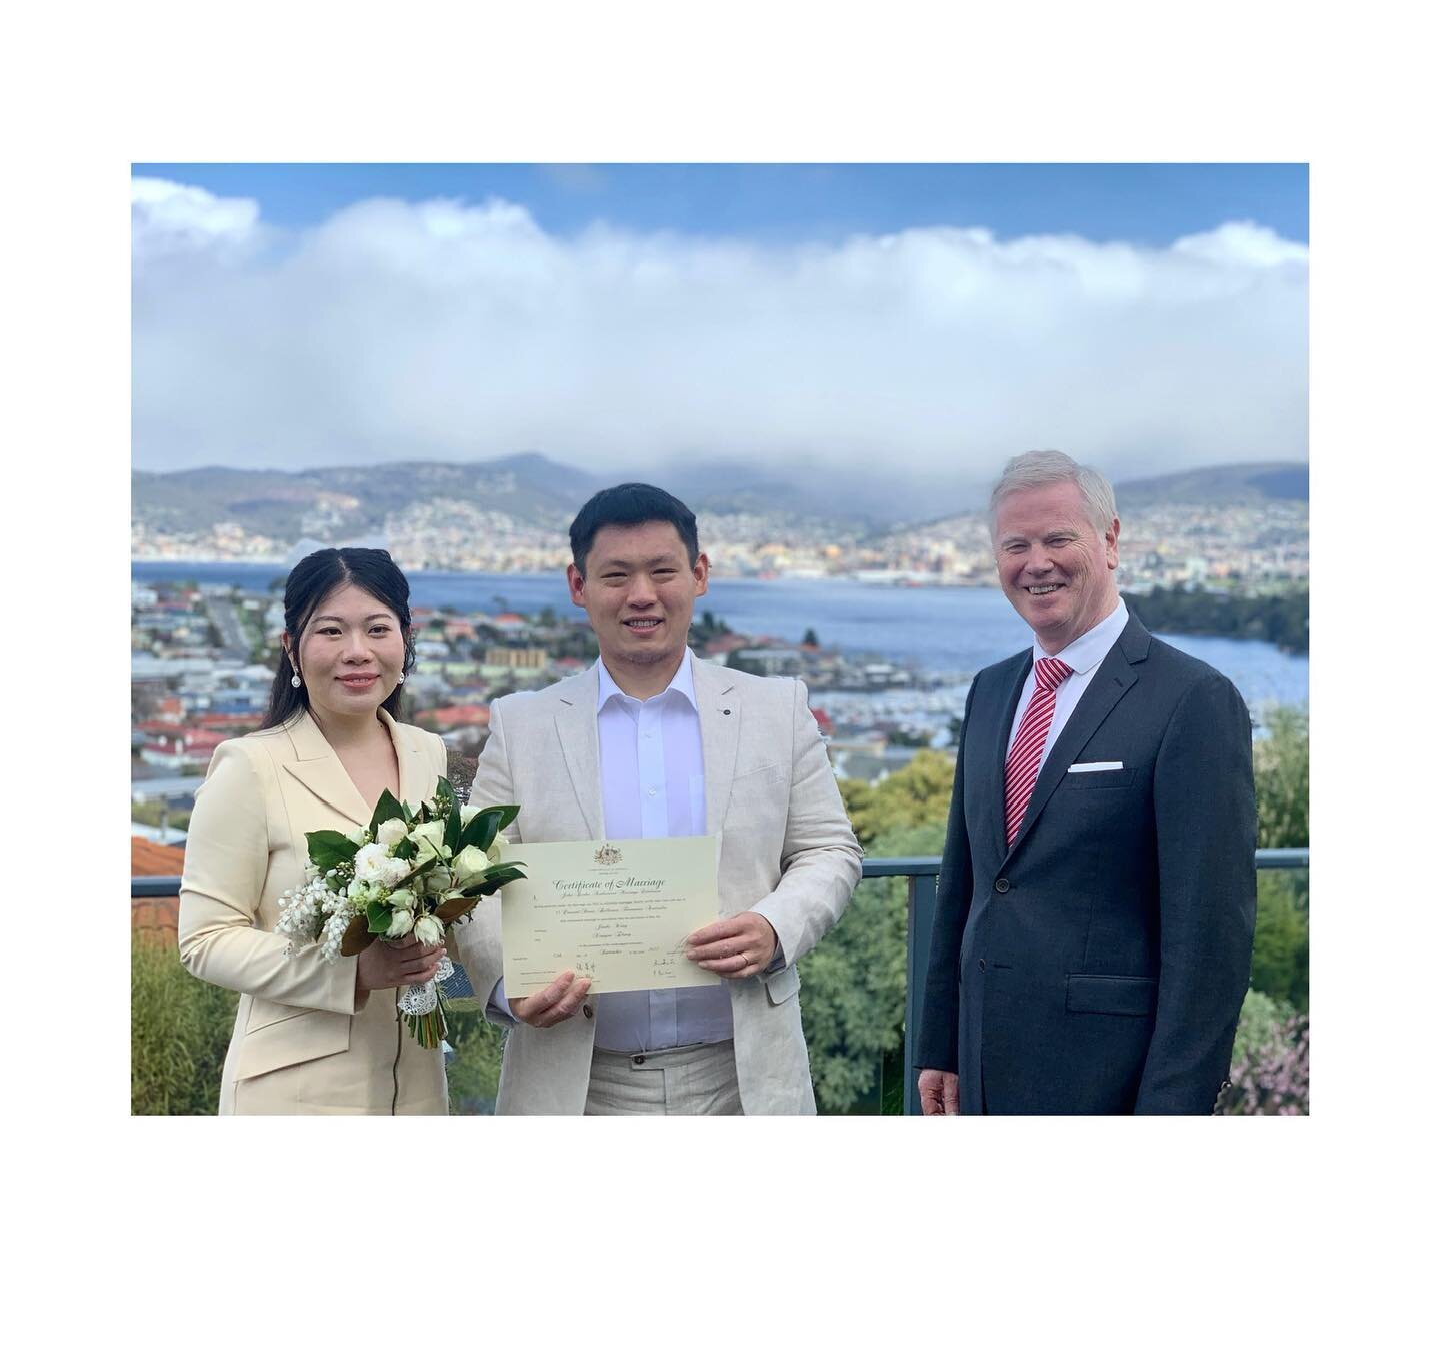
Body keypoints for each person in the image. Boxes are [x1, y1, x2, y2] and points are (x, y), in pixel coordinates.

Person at [452, 483, 863, 1114]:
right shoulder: (522, 723)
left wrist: (775, 927)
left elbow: (829, 848)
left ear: (699, 575)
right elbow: (473, 874)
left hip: (744, 1076)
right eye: (616, 575)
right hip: (575, 1082)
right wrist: (510, 986)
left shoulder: (776, 709)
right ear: (578, 585)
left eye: (662, 571)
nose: (641, 595)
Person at [915, 451, 1256, 1115]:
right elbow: (966, 882)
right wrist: (942, 1045)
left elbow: (1210, 938)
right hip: (982, 1072)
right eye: (1015, 545)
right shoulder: (990, 691)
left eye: (1057, 538)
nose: (1035, 562)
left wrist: (1172, 1109)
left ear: (1109, 541)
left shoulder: (1194, 700)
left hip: (1110, 1085)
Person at [178, 548, 451, 1115]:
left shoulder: (427, 753)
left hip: (418, 1085)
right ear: (291, 647)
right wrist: (353, 970)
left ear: (405, 638)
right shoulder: (250, 767)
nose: (357, 652)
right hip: (295, 1088)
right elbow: (204, 941)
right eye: (331, 630)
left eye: (378, 629)